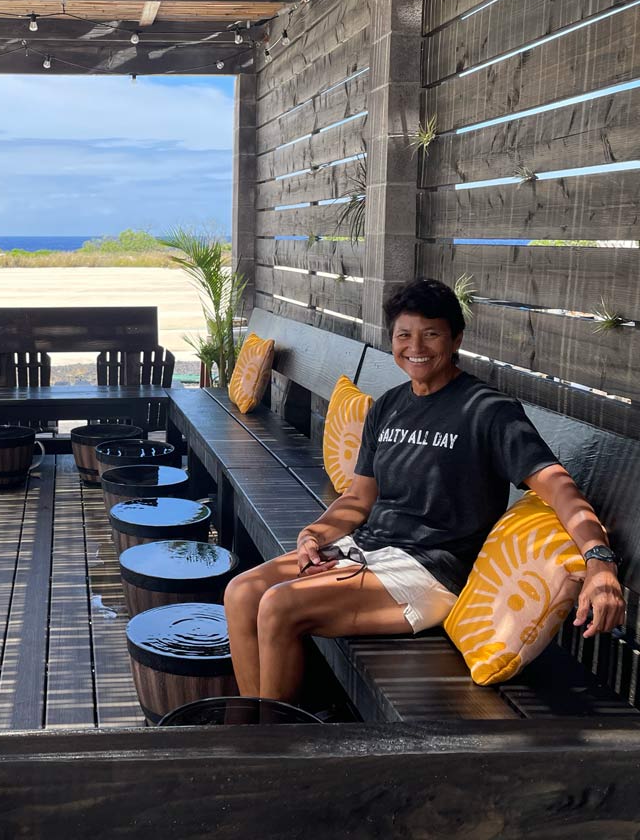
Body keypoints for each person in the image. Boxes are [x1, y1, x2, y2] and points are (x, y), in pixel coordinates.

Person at [223, 277, 626, 702]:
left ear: (456, 340)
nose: (416, 346)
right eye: (404, 335)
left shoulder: (488, 411)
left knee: (279, 606)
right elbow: (359, 499)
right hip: (369, 550)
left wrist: (599, 562)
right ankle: (249, 732)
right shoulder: (390, 406)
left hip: (431, 571)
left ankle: (270, 750)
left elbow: (558, 486)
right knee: (242, 592)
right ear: (392, 340)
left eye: (431, 334)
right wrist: (314, 536)